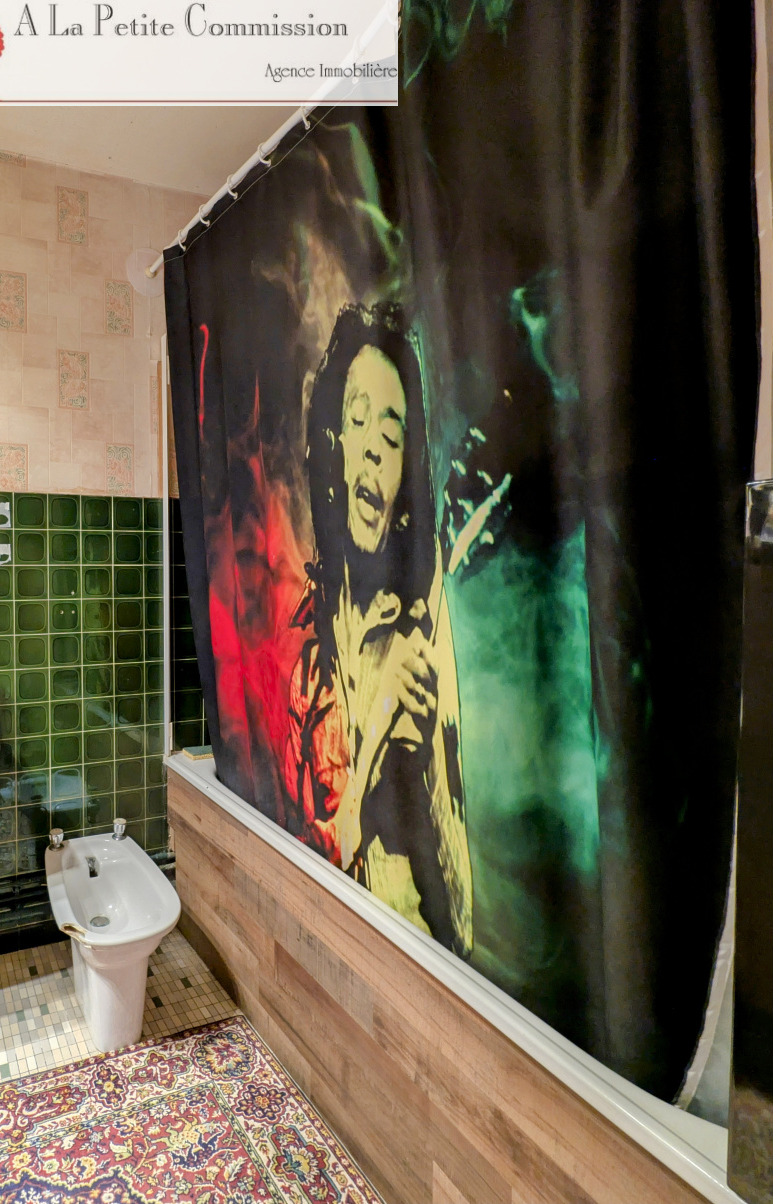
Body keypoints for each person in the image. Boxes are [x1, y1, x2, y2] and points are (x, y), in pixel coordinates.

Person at [281, 302, 472, 955]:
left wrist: (421, 751)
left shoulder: (419, 630)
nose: (371, 448)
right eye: (357, 421)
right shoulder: (313, 640)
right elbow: (318, 843)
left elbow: (458, 917)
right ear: (333, 444)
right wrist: (370, 751)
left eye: (391, 438)